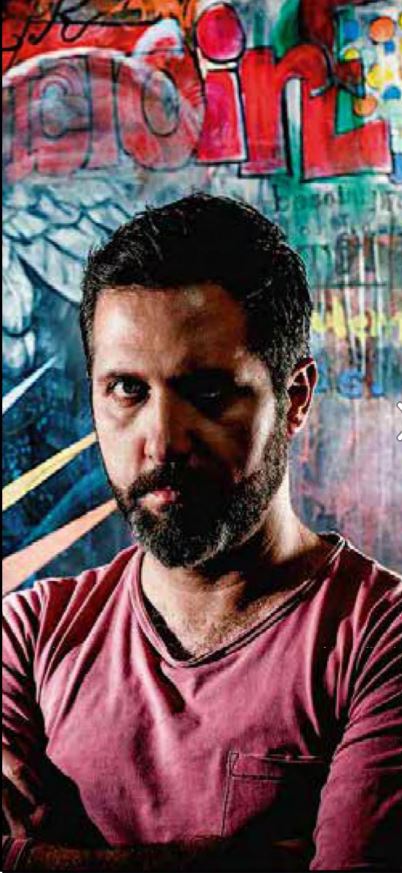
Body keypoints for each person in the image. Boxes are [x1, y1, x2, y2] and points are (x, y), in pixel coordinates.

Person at [2, 193, 401, 872]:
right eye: (127, 389)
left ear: (295, 398)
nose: (162, 440)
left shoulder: (377, 641)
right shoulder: (29, 636)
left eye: (208, 392)